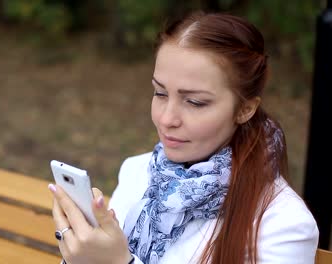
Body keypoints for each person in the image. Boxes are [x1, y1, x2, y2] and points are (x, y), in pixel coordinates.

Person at [48, 11, 319, 264]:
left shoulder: (284, 224)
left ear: (245, 109)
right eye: (160, 93)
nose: (167, 119)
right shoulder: (138, 172)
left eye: (195, 102)